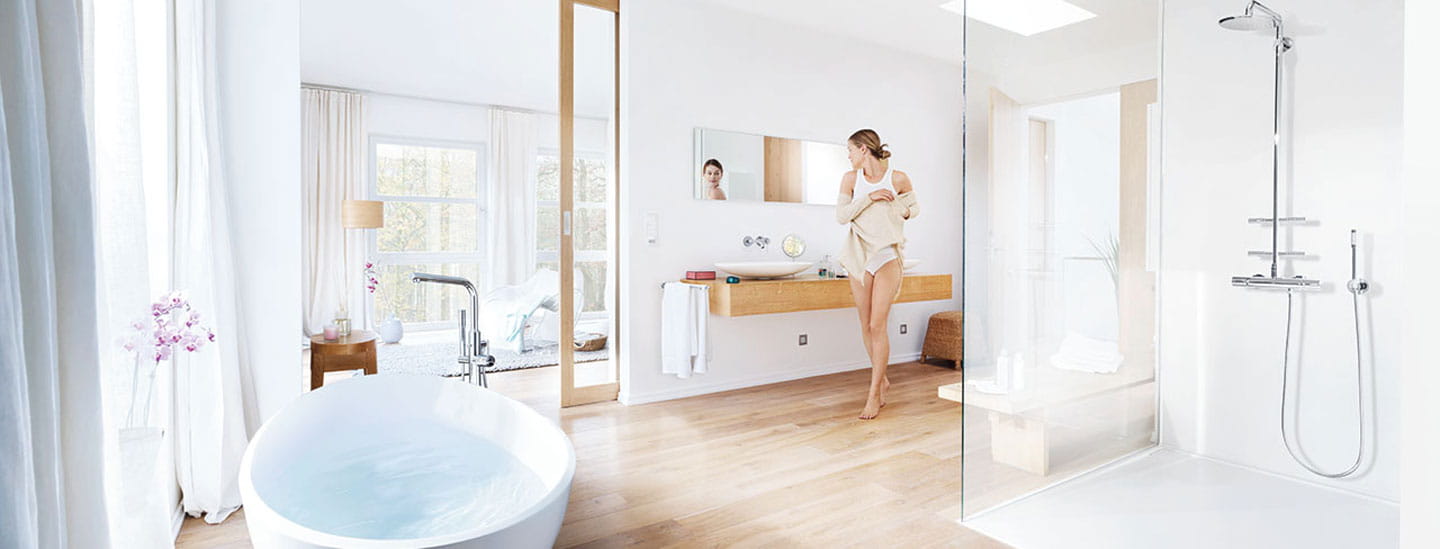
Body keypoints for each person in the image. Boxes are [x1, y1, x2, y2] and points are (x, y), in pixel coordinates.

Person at [835, 129, 918, 420]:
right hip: (859, 257)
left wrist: (896, 205)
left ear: (862, 149)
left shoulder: (897, 177)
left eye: (850, 150)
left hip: (886, 257)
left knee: (877, 324)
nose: (848, 156)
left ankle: (873, 395)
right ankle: (881, 378)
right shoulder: (851, 179)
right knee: (865, 325)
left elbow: (913, 209)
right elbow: (842, 216)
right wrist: (869, 197)